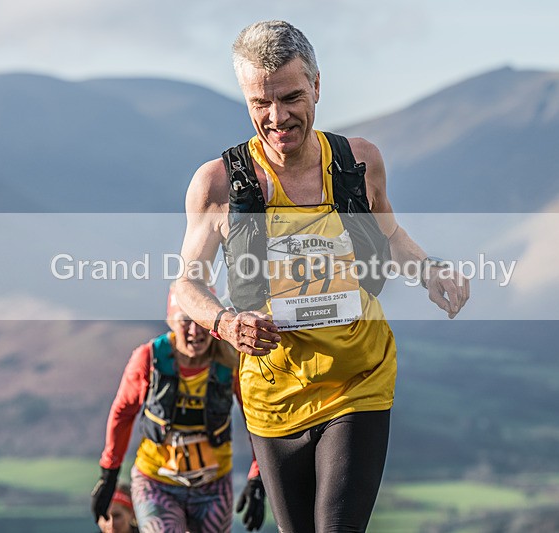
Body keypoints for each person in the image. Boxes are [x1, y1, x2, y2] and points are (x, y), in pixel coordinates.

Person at [174, 20, 470, 533]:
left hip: (359, 376)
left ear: (316, 85)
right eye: (259, 103)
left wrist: (431, 271)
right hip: (273, 392)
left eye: (290, 97)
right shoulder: (218, 183)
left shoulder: (358, 161)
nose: (277, 116)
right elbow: (187, 286)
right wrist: (226, 323)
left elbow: (391, 235)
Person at [91, 284, 266, 533]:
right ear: (171, 322)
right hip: (156, 482)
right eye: (186, 321)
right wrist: (108, 475)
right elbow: (123, 412)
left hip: (213, 484)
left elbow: (256, 419)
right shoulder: (149, 358)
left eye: (203, 321)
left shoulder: (231, 360)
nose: (196, 331)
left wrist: (258, 477)